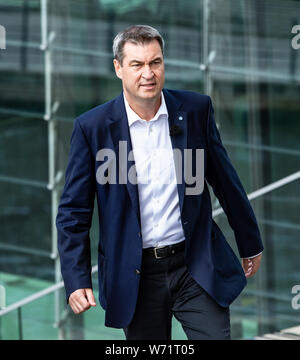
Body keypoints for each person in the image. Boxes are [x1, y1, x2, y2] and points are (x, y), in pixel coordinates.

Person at [56, 25, 263, 340]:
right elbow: (73, 212)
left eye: (155, 62)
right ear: (119, 68)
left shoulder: (195, 110)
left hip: (195, 265)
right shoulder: (93, 128)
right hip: (135, 275)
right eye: (137, 65)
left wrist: (249, 241)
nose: (148, 73)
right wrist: (76, 278)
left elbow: (225, 181)